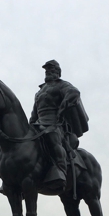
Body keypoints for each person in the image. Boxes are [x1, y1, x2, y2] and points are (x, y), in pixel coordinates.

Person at [29, 60, 89, 190]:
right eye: (47, 70)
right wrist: (29, 125)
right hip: (39, 124)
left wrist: (63, 106)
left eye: (52, 70)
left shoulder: (62, 85)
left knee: (51, 135)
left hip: (56, 124)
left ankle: (60, 171)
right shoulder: (39, 92)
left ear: (58, 72)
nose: (49, 72)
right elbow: (34, 113)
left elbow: (74, 92)